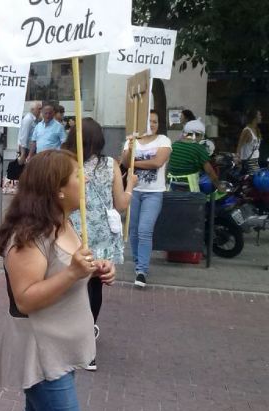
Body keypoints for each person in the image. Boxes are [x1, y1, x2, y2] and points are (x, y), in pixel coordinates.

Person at [0, 150, 115, 411]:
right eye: (76, 175)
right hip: (42, 353)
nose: (84, 178)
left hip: (59, 347)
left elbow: (62, 269)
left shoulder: (65, 222)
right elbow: (25, 298)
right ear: (57, 189)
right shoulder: (29, 236)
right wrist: (73, 273)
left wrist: (94, 269)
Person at [64, 118, 135, 371]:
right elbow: (121, 204)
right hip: (101, 234)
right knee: (95, 285)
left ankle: (72, 335)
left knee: (70, 284)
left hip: (70, 231)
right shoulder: (110, 165)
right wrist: (131, 186)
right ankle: (86, 342)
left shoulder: (65, 163)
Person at [120, 110, 172, 288]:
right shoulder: (131, 141)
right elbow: (124, 162)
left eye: (155, 122)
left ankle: (142, 270)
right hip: (133, 191)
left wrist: (135, 163)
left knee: (144, 230)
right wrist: (130, 146)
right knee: (133, 230)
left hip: (153, 192)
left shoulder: (163, 140)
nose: (152, 125)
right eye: (149, 121)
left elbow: (158, 162)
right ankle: (138, 263)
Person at [168, 120, 220, 192]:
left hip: (172, 187)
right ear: (198, 135)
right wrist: (219, 186)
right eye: (201, 136)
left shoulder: (174, 145)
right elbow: (210, 172)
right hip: (190, 190)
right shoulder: (199, 148)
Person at [236, 109, 263, 174]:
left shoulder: (257, 130)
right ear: (254, 117)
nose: (261, 117)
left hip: (255, 161)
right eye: (259, 115)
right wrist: (238, 160)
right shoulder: (247, 131)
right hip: (249, 162)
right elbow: (239, 146)